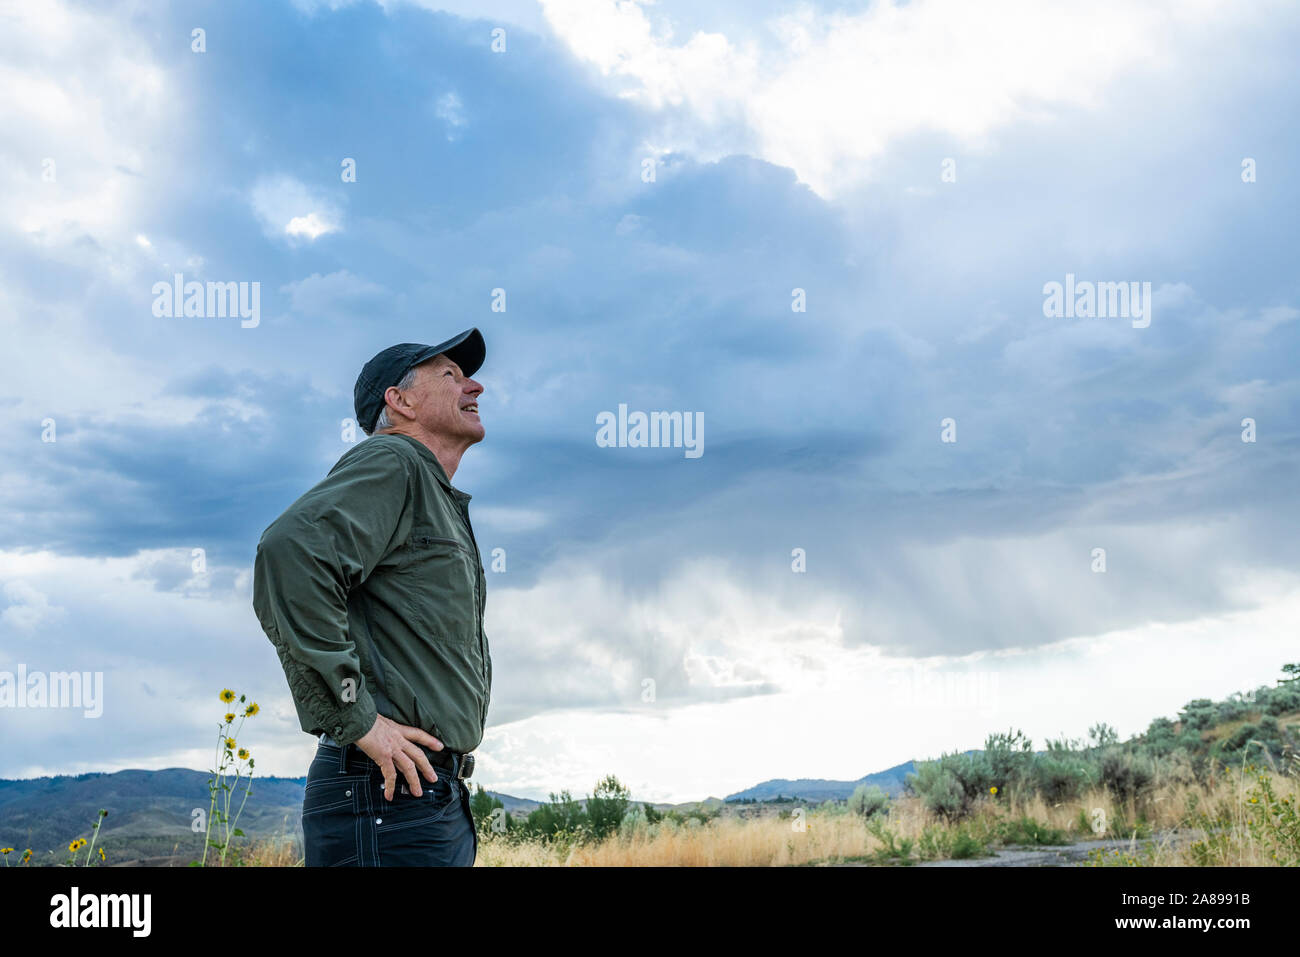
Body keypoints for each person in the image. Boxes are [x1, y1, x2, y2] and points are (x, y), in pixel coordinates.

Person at [252, 328, 491, 866]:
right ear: (399, 401)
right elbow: (289, 552)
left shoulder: (428, 488)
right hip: (385, 795)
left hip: (421, 799)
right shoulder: (395, 462)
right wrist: (358, 719)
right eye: (451, 376)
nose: (474, 386)